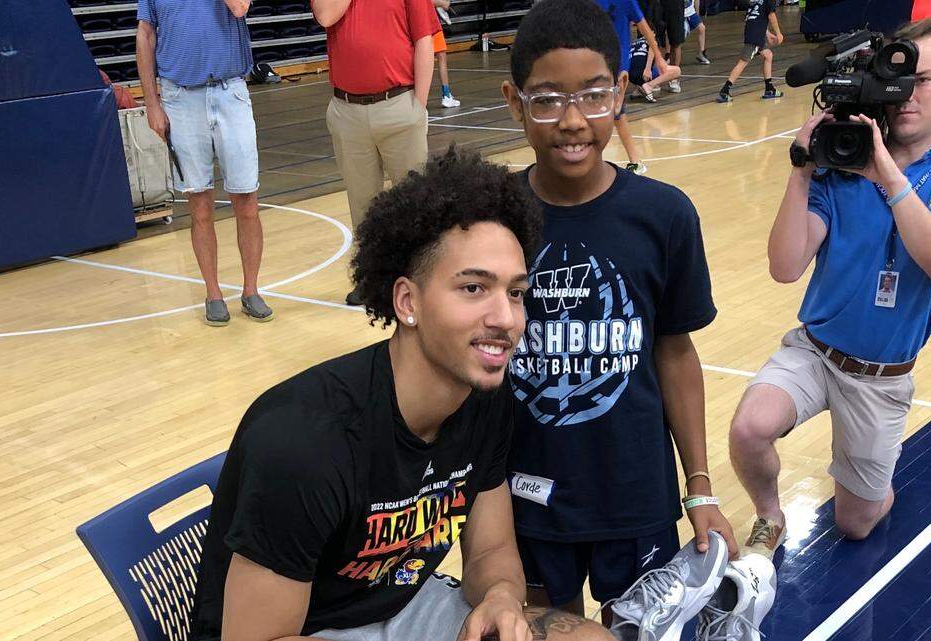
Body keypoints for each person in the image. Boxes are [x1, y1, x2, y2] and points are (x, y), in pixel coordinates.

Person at [187, 147, 616, 641]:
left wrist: (500, 596)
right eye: (474, 288)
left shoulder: (486, 397)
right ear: (407, 302)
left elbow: (491, 550)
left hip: (408, 603)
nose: (506, 318)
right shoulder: (304, 441)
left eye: (515, 292)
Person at [500, 0, 745, 634]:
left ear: (622, 93)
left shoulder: (663, 215)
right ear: (514, 101)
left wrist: (701, 490)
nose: (573, 121)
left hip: (635, 490)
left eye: (593, 96)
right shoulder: (492, 219)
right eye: (548, 100)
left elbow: (675, 352)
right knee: (540, 630)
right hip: (521, 497)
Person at [728, 18, 931, 557]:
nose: (904, 96)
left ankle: (876, 485)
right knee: (748, 429)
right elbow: (785, 267)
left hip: (881, 377)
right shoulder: (841, 165)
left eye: (921, 80)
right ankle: (769, 514)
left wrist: (887, 175)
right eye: (895, 80)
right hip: (816, 350)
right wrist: (802, 170)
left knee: (856, 523)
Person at [136, 0, 274, 326]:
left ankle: (251, 290)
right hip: (180, 97)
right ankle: (213, 294)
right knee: (199, 205)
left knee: (247, 199)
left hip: (231, 91)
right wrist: (151, 103)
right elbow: (145, 35)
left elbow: (240, 8)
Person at [311, 0, 438, 306]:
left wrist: (417, 107)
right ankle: (372, 280)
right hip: (347, 109)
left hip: (398, 103)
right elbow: (327, 15)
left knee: (415, 202)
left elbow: (424, 41)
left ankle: (422, 281)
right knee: (362, 204)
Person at [593, 0, 669, 175]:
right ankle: (634, 161)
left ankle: (634, 161)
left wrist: (658, 58)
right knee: (613, 115)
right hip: (597, 62)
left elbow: (644, 28)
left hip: (616, 66)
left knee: (615, 114)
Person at [716, 0, 783, 103]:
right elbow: (771, 15)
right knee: (743, 62)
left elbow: (757, 16)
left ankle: (769, 88)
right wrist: (778, 33)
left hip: (753, 31)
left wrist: (767, 34)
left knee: (768, 55)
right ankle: (725, 91)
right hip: (755, 34)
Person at [628, 36, 682, 102]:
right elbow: (652, 50)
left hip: (630, 76)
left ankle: (639, 88)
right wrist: (648, 69)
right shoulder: (652, 40)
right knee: (676, 71)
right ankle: (649, 85)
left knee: (638, 65)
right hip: (644, 74)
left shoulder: (633, 43)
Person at [433, 0, 462, 108]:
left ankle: (446, 94)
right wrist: (441, 3)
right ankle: (446, 95)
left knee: (438, 56)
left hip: (422, 22)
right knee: (440, 57)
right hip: (429, 24)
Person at [685, 0, 712, 66]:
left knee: (701, 28)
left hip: (691, 12)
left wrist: (697, 13)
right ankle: (668, 55)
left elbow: (696, 1)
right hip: (679, 13)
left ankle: (701, 53)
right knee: (678, 35)